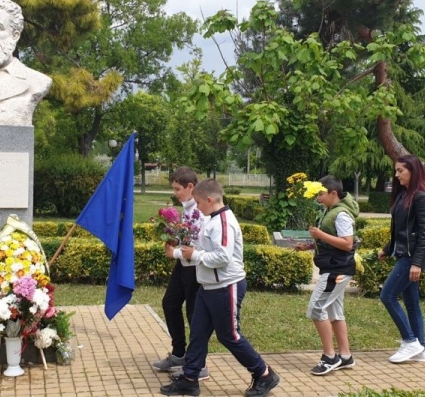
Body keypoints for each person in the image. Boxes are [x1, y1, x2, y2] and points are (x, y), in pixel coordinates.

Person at [160, 179, 279, 397]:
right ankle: (189, 379)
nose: (196, 207)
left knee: (230, 336)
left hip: (226, 286)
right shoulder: (212, 220)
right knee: (198, 333)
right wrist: (183, 252)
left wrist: (194, 254)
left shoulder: (224, 221)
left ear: (209, 199)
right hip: (209, 287)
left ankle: (264, 374)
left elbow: (222, 257)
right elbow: (204, 250)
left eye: (198, 202)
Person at [294, 175, 358, 376]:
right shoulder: (330, 212)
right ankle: (345, 356)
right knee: (334, 313)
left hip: (337, 270)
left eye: (321, 194)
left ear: (333, 193)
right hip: (334, 267)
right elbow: (334, 241)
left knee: (316, 309)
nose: (318, 198)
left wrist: (319, 235)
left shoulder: (341, 215)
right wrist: (310, 245)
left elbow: (347, 243)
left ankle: (330, 357)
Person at [378, 154, 425, 363]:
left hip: (412, 257)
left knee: (387, 295)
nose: (396, 175)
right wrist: (387, 249)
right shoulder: (404, 194)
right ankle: (421, 349)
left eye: (400, 171)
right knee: (412, 303)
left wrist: (417, 263)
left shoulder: (422, 197)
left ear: (413, 171)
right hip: (403, 254)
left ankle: (410, 340)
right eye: (396, 171)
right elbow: (400, 230)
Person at [152, 167, 210, 380]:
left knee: (195, 314)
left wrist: (174, 252)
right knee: (170, 303)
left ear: (191, 187)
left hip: (195, 267)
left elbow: (199, 244)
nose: (175, 193)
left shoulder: (201, 209)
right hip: (183, 267)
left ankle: (199, 364)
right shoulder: (187, 207)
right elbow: (187, 236)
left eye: (178, 189)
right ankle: (179, 353)